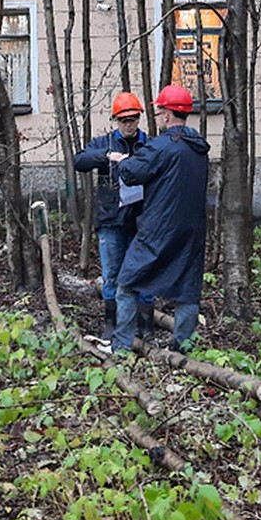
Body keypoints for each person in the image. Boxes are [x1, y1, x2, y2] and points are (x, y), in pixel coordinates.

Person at [112, 83, 210, 354]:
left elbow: (132, 173)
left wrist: (122, 161)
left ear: (167, 115)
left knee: (127, 283)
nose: (156, 117)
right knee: (188, 291)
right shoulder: (198, 147)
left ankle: (120, 347)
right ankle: (182, 351)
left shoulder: (162, 146)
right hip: (191, 230)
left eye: (158, 112)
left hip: (158, 228)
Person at [73, 91, 154, 340]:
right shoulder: (104, 143)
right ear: (116, 120)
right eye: (124, 120)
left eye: (133, 119)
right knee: (111, 275)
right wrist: (106, 157)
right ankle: (112, 325)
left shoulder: (149, 144)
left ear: (139, 118)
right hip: (111, 219)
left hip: (141, 220)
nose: (129, 124)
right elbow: (79, 160)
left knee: (144, 273)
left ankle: (145, 326)